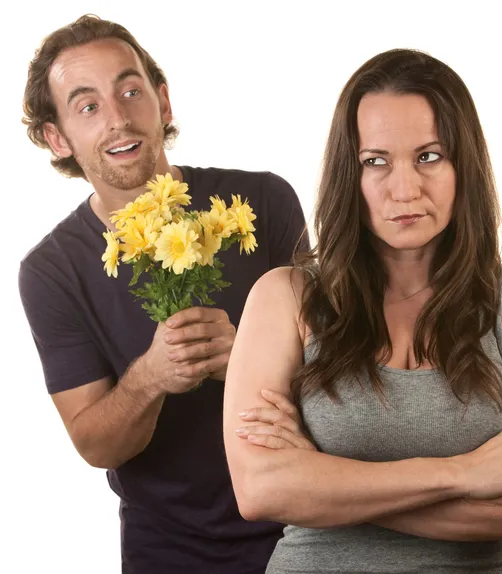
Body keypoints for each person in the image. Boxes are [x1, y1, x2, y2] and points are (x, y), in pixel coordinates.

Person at [223, 48, 502, 573]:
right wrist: (465, 473)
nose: (404, 189)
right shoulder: (285, 297)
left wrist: (322, 479)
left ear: (466, 164)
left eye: (429, 156)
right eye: (376, 162)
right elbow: (259, 490)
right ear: (351, 174)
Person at [18, 14, 308, 574]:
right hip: (169, 549)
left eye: (131, 90)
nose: (119, 118)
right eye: (88, 106)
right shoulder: (51, 272)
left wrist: (249, 359)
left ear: (163, 101)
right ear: (57, 138)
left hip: (305, 524)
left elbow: (350, 368)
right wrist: (152, 375)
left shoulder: (263, 202)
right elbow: (96, 446)